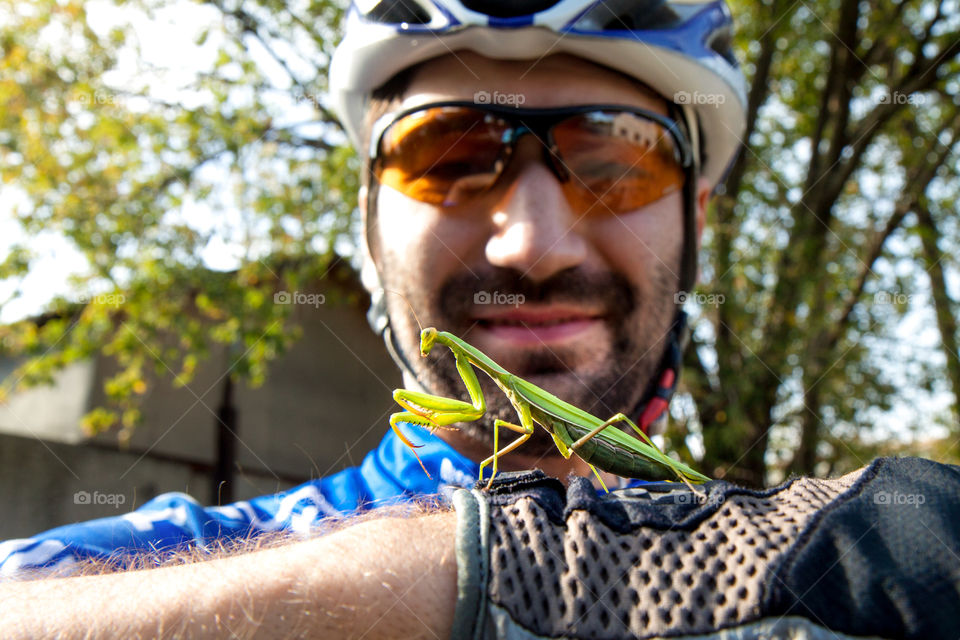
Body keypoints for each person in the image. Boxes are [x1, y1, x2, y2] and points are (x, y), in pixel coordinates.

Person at [2, 1, 958, 638]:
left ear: (698, 220)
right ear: (367, 225)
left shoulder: (800, 576)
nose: (533, 246)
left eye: (615, 164)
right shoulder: (137, 565)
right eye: (447, 156)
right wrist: (457, 574)